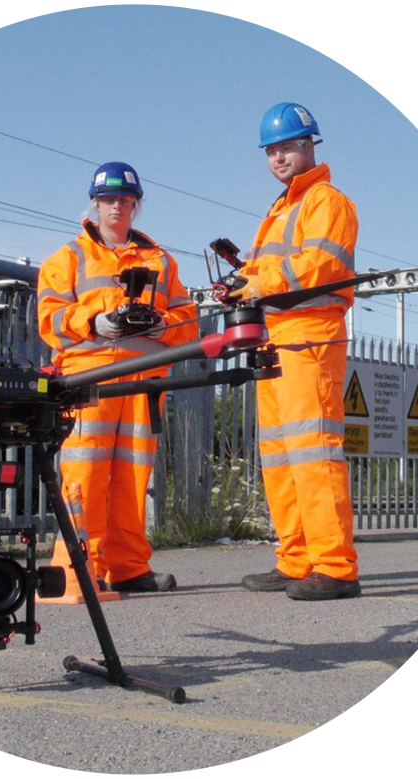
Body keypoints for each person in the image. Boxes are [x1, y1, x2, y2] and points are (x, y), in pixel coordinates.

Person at [37, 161, 198, 592]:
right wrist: (95, 322)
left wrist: (160, 323)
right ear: (95, 204)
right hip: (90, 380)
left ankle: (129, 568)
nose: (117, 208)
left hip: (143, 383)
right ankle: (76, 570)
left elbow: (188, 321)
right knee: (84, 475)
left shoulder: (161, 261)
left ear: (136, 206)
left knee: (132, 478)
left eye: (125, 200)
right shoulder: (67, 259)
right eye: (109, 200)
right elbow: (48, 319)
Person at [230, 102, 361, 600]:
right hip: (278, 337)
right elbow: (275, 271)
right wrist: (245, 281)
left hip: (312, 335)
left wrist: (257, 281)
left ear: (310, 146)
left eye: (287, 146)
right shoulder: (282, 208)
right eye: (271, 150)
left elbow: (320, 265)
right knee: (282, 454)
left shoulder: (328, 201)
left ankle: (334, 566)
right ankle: (296, 559)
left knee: (314, 451)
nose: (279, 157)